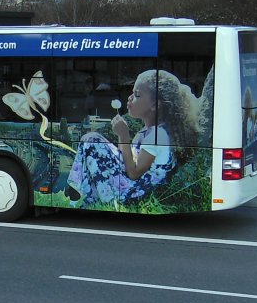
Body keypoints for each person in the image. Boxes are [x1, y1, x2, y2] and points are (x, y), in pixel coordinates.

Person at [64, 69, 199, 206]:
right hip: (131, 187)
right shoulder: (149, 131)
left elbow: (134, 173)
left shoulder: (158, 134)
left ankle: (77, 195)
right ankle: (80, 196)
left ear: (155, 105)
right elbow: (128, 159)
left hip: (133, 195)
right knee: (93, 140)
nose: (129, 98)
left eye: (137, 95)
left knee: (92, 140)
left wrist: (124, 136)